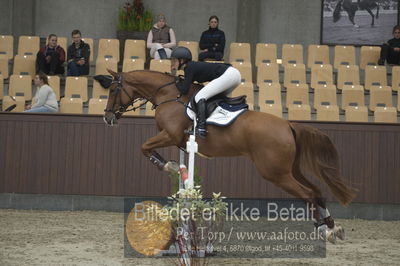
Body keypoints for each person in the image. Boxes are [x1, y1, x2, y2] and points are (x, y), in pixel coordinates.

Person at [170, 46, 241, 138]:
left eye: (174, 61)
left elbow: (184, 90)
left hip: (229, 75)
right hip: (233, 75)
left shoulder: (189, 67)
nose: (172, 64)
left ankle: (201, 127)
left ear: (182, 60)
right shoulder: (191, 67)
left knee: (200, 97)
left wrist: (176, 80)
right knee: (214, 99)